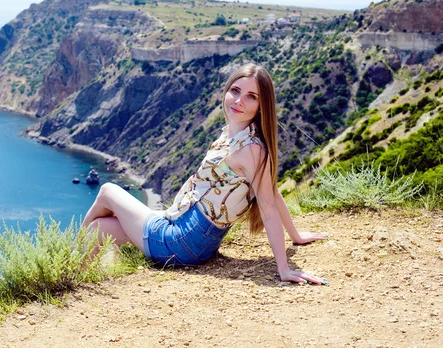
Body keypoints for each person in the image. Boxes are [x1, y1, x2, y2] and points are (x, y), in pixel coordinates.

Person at [81, 63, 327, 285]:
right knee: (99, 229)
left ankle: (66, 266)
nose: (239, 100)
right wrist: (295, 235)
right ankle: (78, 280)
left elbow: (269, 208)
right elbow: (272, 191)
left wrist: (283, 268)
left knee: (107, 190)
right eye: (235, 90)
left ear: (262, 106)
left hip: (181, 242)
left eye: (251, 96)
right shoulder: (236, 135)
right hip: (192, 237)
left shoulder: (251, 150)